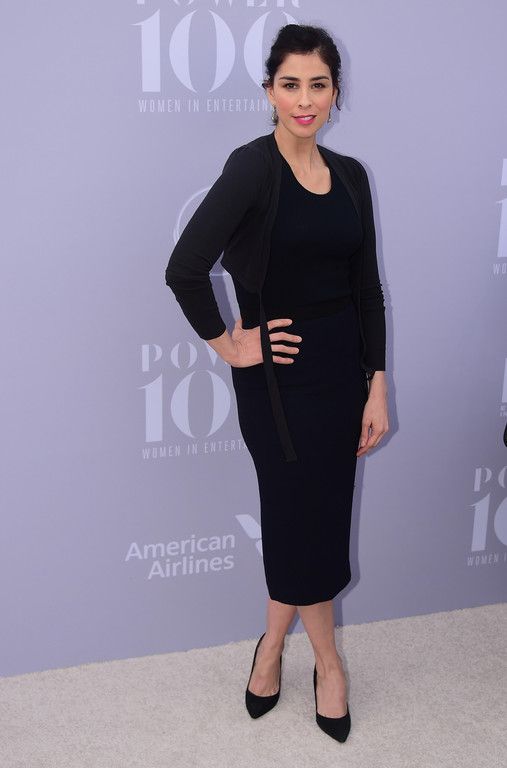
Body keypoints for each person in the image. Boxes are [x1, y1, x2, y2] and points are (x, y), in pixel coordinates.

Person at [165, 23, 389, 743]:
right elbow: (184, 268)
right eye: (290, 84)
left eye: (318, 85)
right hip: (278, 383)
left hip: (341, 375)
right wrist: (230, 345)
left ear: (335, 93)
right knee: (300, 519)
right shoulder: (252, 168)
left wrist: (377, 383)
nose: (304, 99)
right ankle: (327, 663)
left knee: (317, 518)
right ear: (269, 91)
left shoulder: (351, 176)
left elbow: (367, 290)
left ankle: (270, 646)